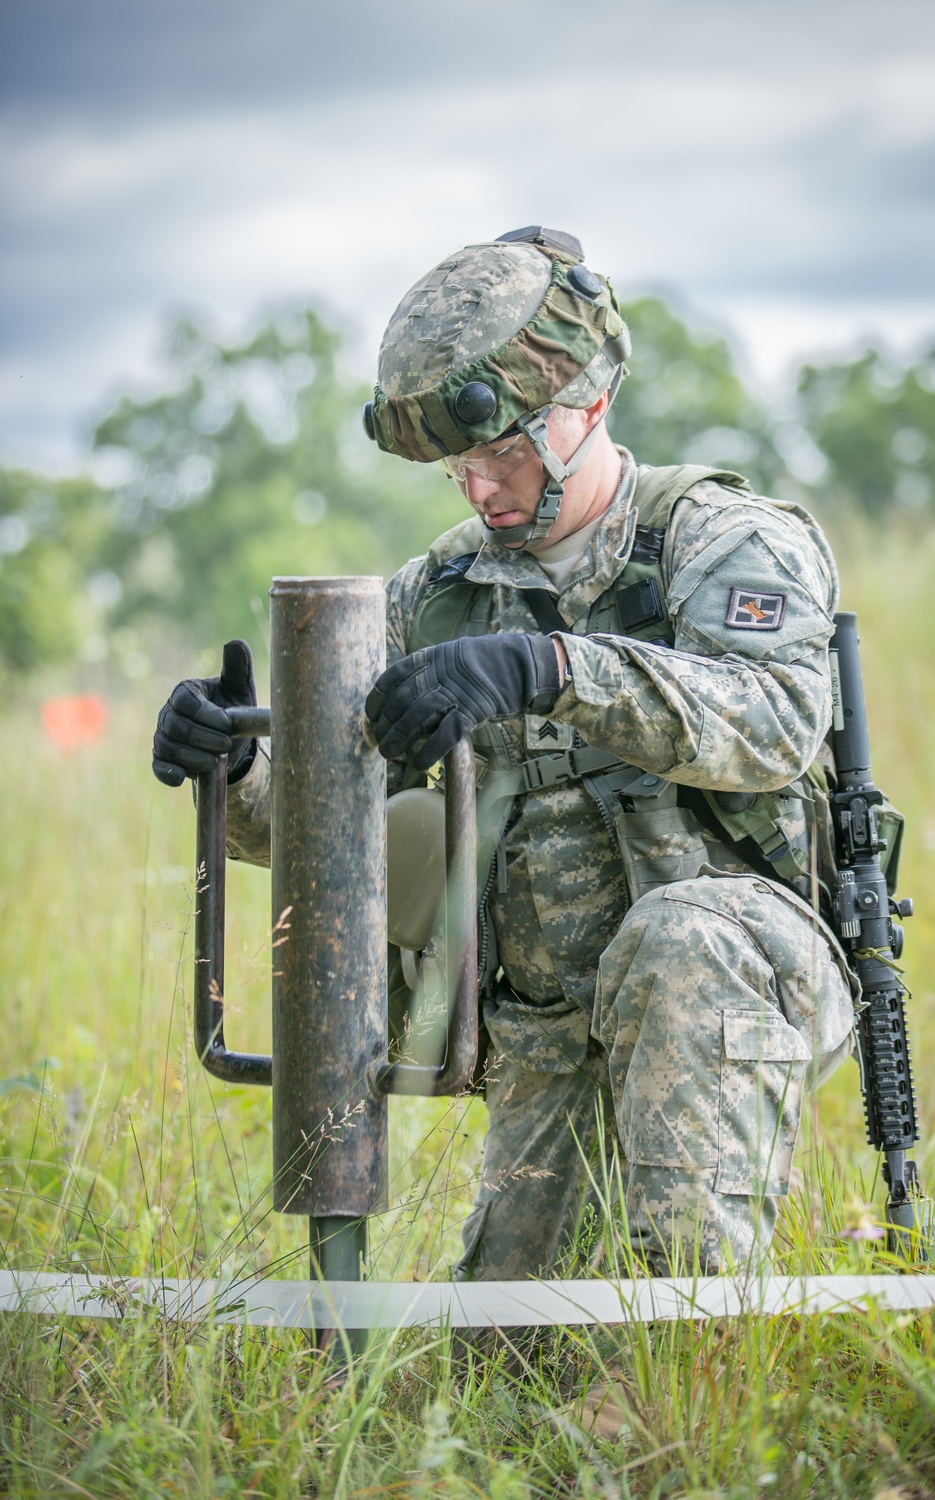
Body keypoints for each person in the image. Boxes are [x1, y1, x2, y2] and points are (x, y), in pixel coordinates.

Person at [153, 226, 857, 1280]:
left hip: (732, 976)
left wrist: (554, 669)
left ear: (591, 406)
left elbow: (774, 721)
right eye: (459, 467)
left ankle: (698, 1332)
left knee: (681, 942)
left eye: (505, 452)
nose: (481, 489)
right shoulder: (435, 594)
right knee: (507, 1371)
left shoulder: (721, 540)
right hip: (542, 1028)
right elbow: (331, 828)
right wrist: (233, 768)